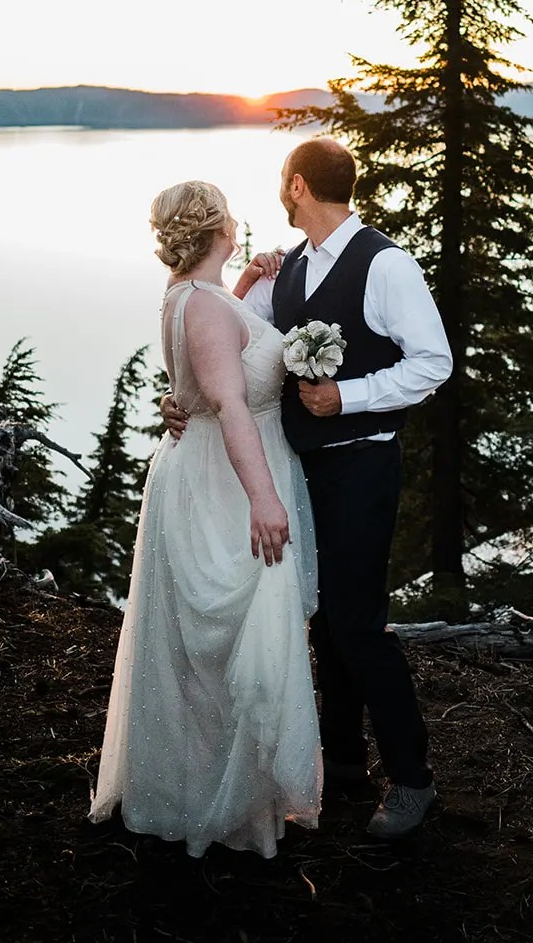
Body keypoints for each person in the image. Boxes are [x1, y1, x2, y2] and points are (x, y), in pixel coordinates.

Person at [162, 138, 452, 839]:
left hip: (360, 462)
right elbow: (229, 351)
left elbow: (432, 362)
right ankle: (345, 762)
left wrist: (347, 397)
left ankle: (413, 780)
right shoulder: (281, 272)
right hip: (295, 468)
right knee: (318, 617)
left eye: (279, 185)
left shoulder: (385, 264)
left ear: (297, 186)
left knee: (355, 622)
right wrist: (183, 402)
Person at [89, 180, 321, 859]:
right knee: (223, 640)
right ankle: (215, 800)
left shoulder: (195, 294)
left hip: (207, 468)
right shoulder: (205, 308)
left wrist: (247, 277)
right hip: (224, 481)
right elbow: (230, 400)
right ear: (220, 225)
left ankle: (220, 784)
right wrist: (264, 500)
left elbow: (213, 350)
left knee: (215, 642)